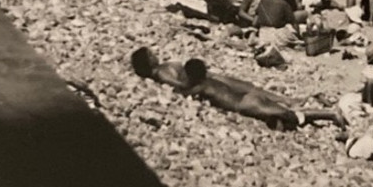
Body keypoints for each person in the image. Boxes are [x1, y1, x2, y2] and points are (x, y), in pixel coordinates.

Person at [130, 49, 343, 131]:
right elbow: (180, 86)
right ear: (148, 61)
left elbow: (185, 89)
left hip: (243, 103)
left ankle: (328, 114)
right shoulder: (161, 72)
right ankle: (327, 114)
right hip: (242, 100)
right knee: (282, 113)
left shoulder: (200, 85)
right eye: (151, 54)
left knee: (284, 113)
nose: (155, 54)